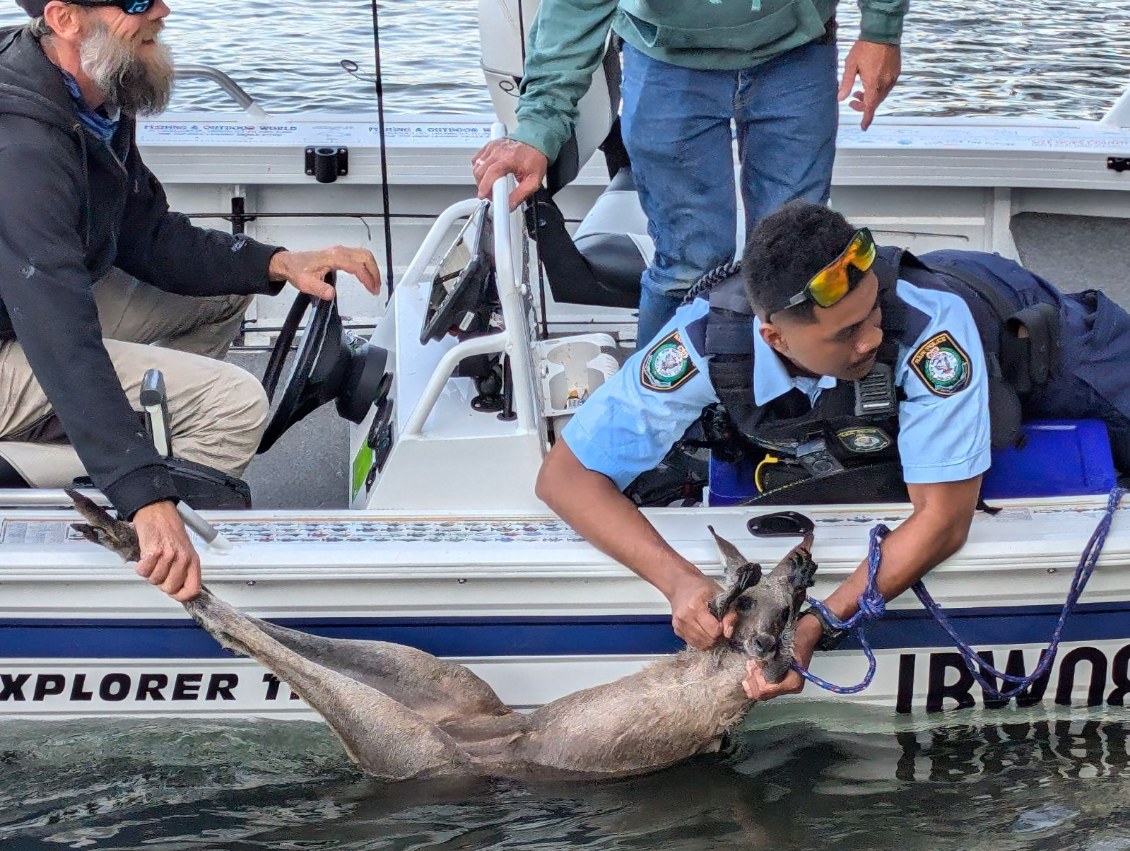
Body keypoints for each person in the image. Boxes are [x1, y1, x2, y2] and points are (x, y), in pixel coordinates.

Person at [535, 200, 1130, 701]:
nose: (871, 336)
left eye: (871, 312)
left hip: (1013, 319)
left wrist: (818, 624)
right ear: (773, 337)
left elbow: (945, 522)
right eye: (846, 332)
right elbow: (566, 478)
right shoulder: (699, 343)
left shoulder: (930, 332)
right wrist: (679, 583)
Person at [0, 0, 382, 602]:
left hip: (23, 310)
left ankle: (119, 447)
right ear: (65, 18)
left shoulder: (94, 93)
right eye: (135, 2)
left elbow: (144, 232)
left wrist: (276, 262)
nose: (162, 10)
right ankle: (129, 521)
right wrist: (143, 492)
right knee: (232, 405)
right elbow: (57, 331)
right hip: (25, 327)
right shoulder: (21, 144)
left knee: (227, 294)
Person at [471, 0, 907, 344]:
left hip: (796, 50)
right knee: (688, 265)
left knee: (799, 258)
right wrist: (536, 129)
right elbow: (575, 9)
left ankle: (791, 411)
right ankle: (658, 418)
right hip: (665, 59)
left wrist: (881, 31)